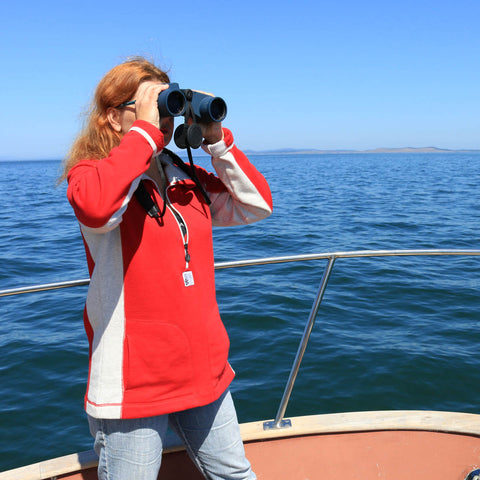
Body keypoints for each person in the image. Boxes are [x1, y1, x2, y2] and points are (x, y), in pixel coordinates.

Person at [61, 57, 273, 480]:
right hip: (134, 380)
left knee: (235, 474)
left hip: (203, 369)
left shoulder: (182, 173)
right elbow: (97, 209)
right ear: (111, 116)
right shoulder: (91, 176)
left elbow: (255, 206)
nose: (164, 118)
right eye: (152, 105)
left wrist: (217, 142)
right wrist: (141, 135)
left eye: (168, 105)